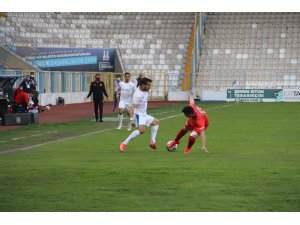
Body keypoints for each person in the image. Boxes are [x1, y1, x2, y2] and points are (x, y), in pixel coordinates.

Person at [119, 77, 160, 152]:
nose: (149, 87)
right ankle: (124, 143)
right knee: (142, 130)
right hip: (138, 114)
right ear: (143, 85)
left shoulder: (145, 89)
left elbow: (143, 82)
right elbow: (132, 107)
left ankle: (153, 142)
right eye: (148, 85)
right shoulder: (137, 95)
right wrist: (131, 120)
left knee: (156, 122)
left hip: (143, 114)